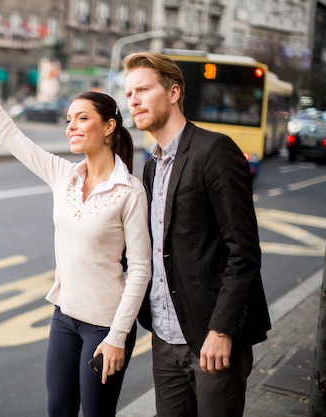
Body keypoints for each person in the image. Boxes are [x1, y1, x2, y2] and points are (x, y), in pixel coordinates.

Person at [0, 38, 151, 417]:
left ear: (109, 127)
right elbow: (10, 135)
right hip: (64, 316)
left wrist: (118, 337)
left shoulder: (129, 191)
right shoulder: (64, 176)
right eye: (69, 118)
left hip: (105, 326)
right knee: (58, 410)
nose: (71, 126)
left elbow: (140, 269)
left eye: (82, 118)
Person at [123, 52, 271, 417]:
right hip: (164, 337)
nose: (134, 100)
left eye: (143, 89)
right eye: (129, 94)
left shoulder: (214, 150)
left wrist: (222, 330)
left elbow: (244, 251)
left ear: (173, 93)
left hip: (210, 336)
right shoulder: (150, 167)